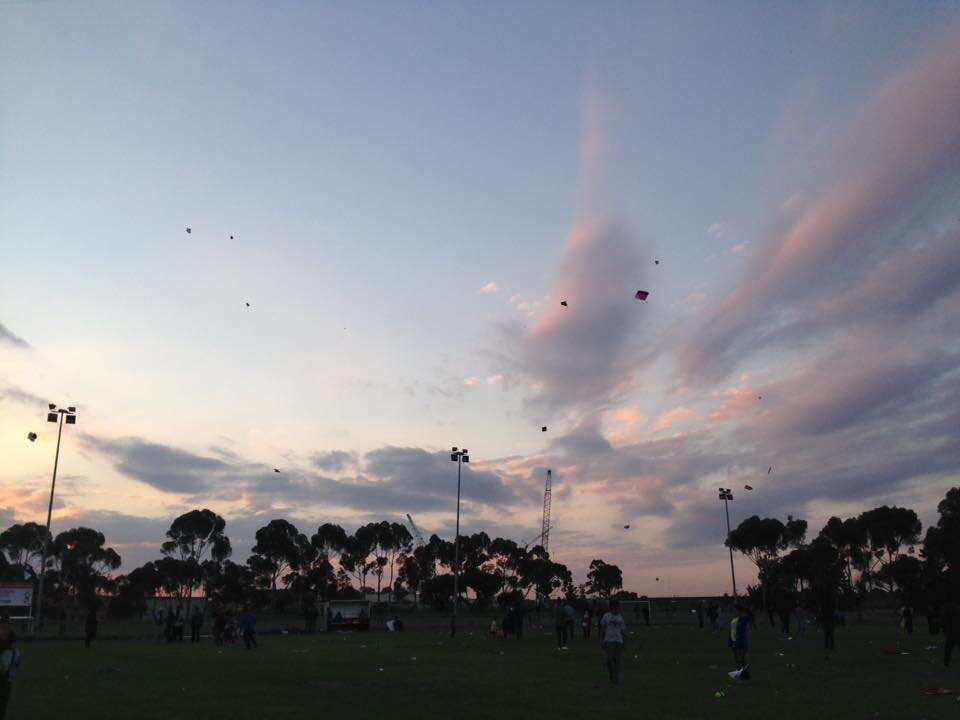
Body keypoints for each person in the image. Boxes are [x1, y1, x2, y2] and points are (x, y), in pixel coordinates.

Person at [600, 599, 626, 686]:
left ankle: (616, 680)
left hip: (618, 641)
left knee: (617, 661)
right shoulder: (606, 616)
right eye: (618, 607)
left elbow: (622, 630)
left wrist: (624, 642)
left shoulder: (620, 617)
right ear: (613, 607)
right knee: (609, 661)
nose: (619, 608)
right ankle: (612, 677)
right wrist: (602, 640)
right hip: (609, 641)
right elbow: (603, 629)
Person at [0, 618, 21, 720]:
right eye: (2, 628)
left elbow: (9, 673)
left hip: (4, 686)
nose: (3, 632)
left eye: (6, 629)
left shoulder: (14, 653)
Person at [943, 596, 960, 667]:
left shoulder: (949, 609)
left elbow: (945, 621)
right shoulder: (955, 609)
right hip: (955, 631)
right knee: (949, 647)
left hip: (952, 632)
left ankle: (946, 661)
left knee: (948, 648)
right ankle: (946, 661)